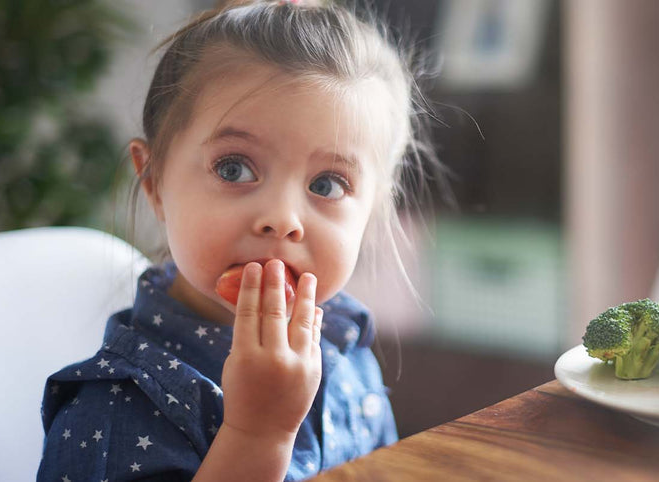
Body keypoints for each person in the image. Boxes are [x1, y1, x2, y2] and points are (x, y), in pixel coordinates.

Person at [37, 1, 442, 480]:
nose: (282, 219)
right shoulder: (113, 412)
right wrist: (258, 435)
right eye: (234, 169)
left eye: (328, 184)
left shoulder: (344, 342)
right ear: (154, 183)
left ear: (374, 210)